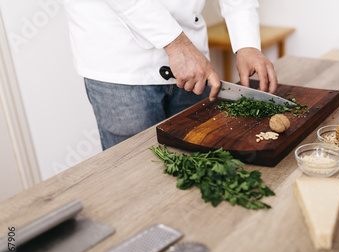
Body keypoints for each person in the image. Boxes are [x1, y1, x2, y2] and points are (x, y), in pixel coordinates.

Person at [63, 0, 278, 150]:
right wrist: (177, 45)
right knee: (136, 177)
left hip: (192, 59)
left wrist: (247, 43)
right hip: (120, 60)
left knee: (200, 159)